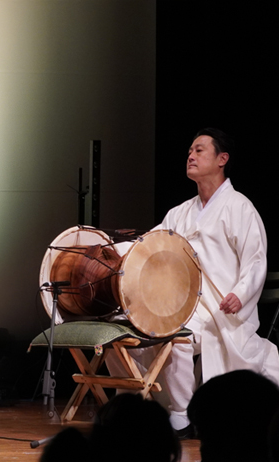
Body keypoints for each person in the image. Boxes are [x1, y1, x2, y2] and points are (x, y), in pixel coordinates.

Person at [112, 128, 279, 435]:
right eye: (189, 150)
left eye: (200, 150)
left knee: (178, 335)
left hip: (220, 309)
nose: (191, 155)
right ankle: (133, 404)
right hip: (182, 304)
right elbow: (148, 245)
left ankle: (181, 415)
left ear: (222, 159)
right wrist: (112, 250)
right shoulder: (180, 213)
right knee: (121, 329)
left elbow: (256, 260)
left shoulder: (240, 207)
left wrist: (240, 294)